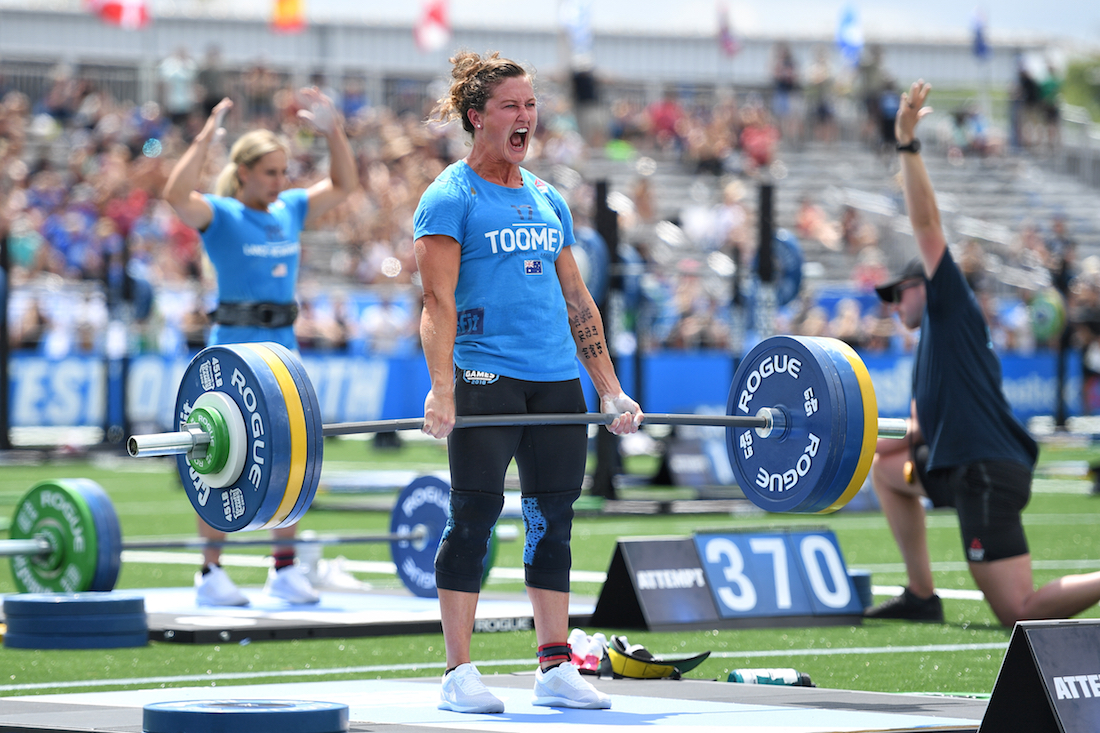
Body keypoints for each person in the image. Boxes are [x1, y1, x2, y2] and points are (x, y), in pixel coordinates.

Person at [413, 51, 642, 714]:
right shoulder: (450, 196)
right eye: (511, 106)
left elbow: (579, 301)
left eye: (531, 104)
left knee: (553, 519)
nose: (525, 117)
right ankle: (459, 671)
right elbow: (436, 301)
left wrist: (609, 388)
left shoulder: (547, 198)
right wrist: (442, 387)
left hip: (554, 382)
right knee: (474, 516)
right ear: (477, 116)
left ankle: (553, 664)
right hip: (484, 374)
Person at [866, 79, 1100, 627]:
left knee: (1016, 612)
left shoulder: (950, 303)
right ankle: (922, 595)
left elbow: (926, 223)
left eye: (900, 291)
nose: (895, 303)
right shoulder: (934, 344)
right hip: (953, 467)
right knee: (888, 470)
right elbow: (917, 431)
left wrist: (907, 144)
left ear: (927, 285)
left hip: (986, 473)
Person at [162, 88, 357, 606]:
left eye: (283, 170)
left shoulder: (291, 207)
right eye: (270, 171)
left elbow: (344, 183)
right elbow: (175, 196)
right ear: (243, 172)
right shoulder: (222, 215)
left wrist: (334, 129)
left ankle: (284, 568)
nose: (280, 180)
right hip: (232, 354)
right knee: (220, 459)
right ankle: (209, 574)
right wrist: (207, 136)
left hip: (283, 352)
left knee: (293, 457)